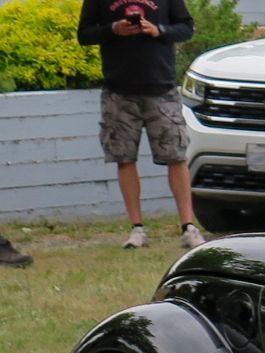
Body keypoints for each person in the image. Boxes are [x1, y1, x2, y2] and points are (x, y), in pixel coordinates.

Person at [76, 1, 203, 250]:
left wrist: (158, 30)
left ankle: (188, 227)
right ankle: (137, 229)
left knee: (176, 156)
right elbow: (84, 35)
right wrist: (114, 29)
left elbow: (186, 28)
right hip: (118, 90)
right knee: (124, 158)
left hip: (161, 88)